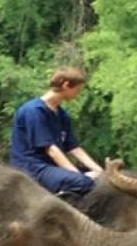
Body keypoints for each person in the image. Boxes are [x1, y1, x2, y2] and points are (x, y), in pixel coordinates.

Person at [9, 67, 103, 196]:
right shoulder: (34, 111)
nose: (79, 94)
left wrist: (99, 171)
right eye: (78, 90)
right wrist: (76, 175)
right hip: (33, 168)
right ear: (66, 85)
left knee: (100, 179)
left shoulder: (62, 115)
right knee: (83, 182)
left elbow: (74, 148)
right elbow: (51, 150)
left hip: (52, 168)